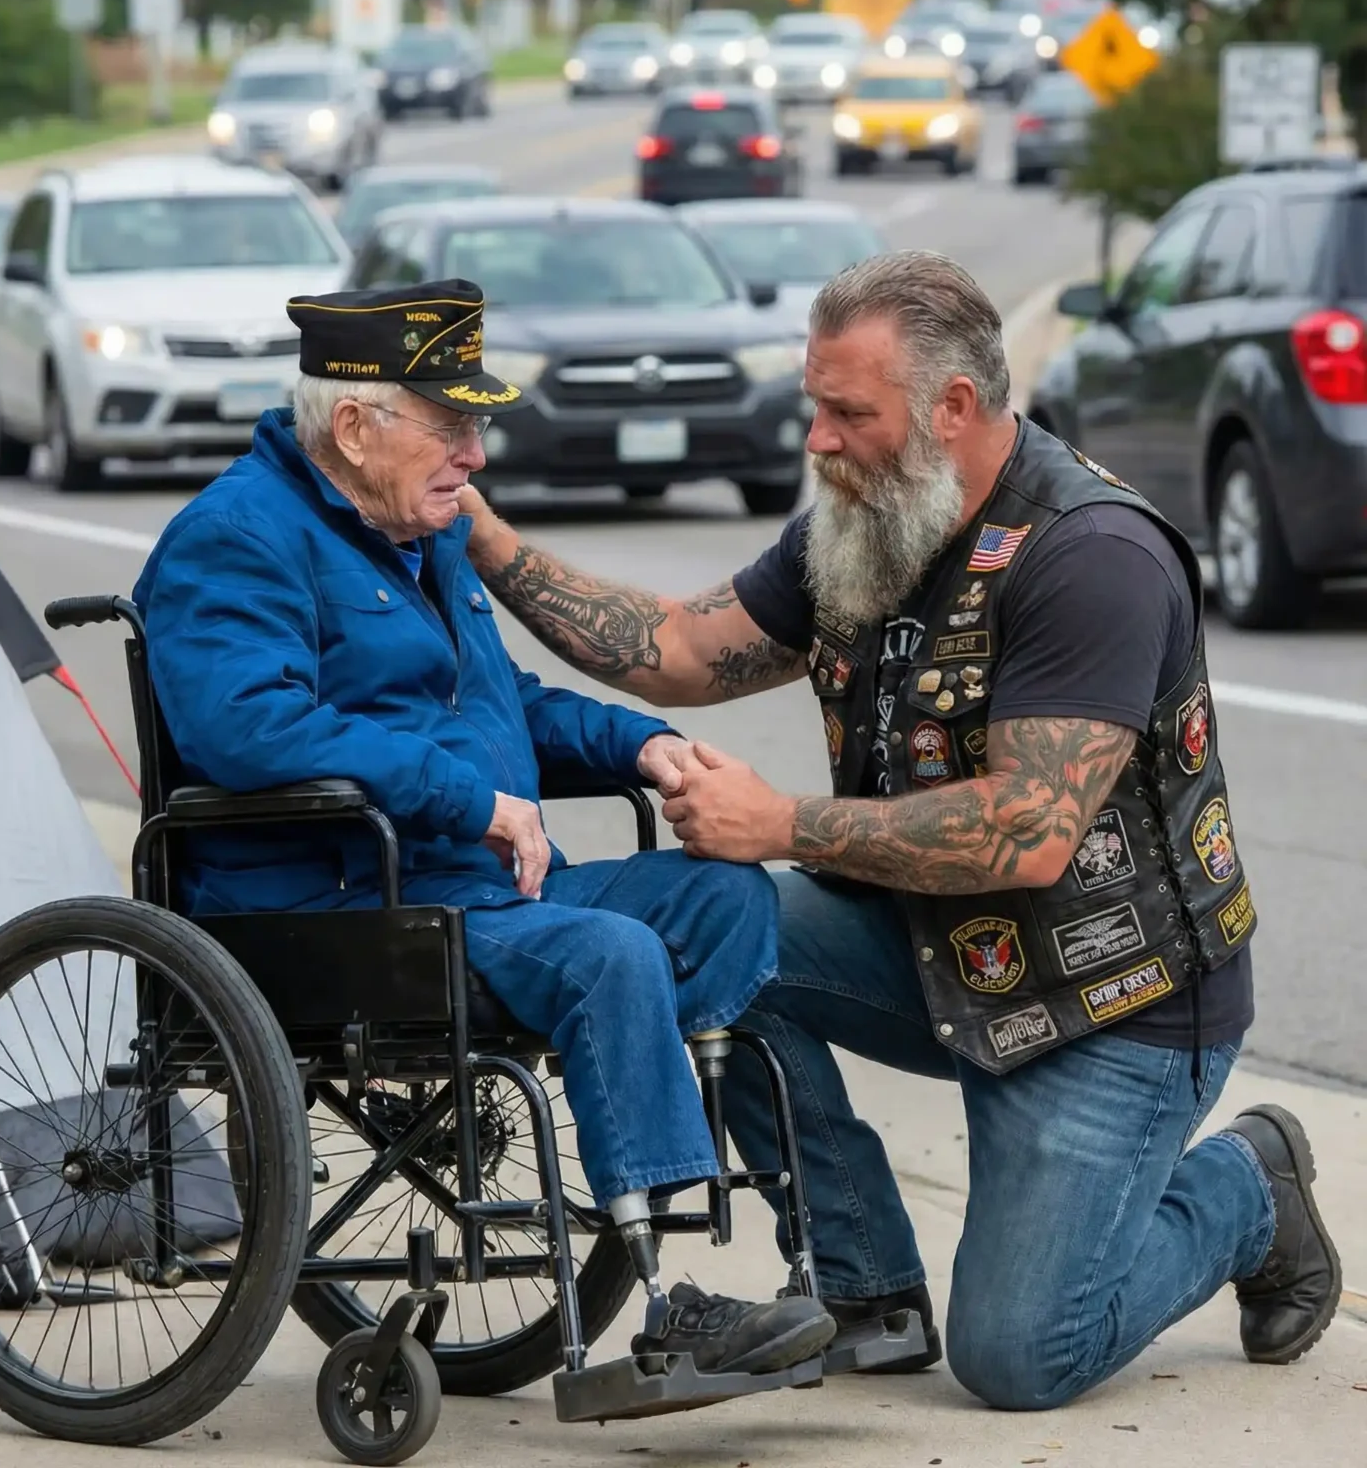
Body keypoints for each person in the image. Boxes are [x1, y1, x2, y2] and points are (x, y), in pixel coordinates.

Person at [455, 250, 1341, 1409]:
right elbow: (677, 650)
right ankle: (863, 1284)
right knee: (706, 929)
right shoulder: (862, 521)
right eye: (814, 404)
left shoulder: (1095, 557)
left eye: (846, 412)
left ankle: (1247, 1188)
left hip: (1112, 1008)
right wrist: (480, 538)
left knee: (1023, 1355)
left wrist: (777, 824)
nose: (816, 439)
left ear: (954, 408)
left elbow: (1028, 833)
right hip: (933, 953)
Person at [131, 277, 835, 1379]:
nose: (477, 455)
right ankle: (664, 1303)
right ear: (357, 426)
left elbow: (501, 708)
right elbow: (247, 731)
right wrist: (468, 801)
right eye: (452, 424)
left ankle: (646, 1142)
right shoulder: (233, 539)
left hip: (474, 896)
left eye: (478, 424)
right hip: (338, 909)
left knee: (727, 893)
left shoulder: (422, 535)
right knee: (610, 954)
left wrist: (643, 746)